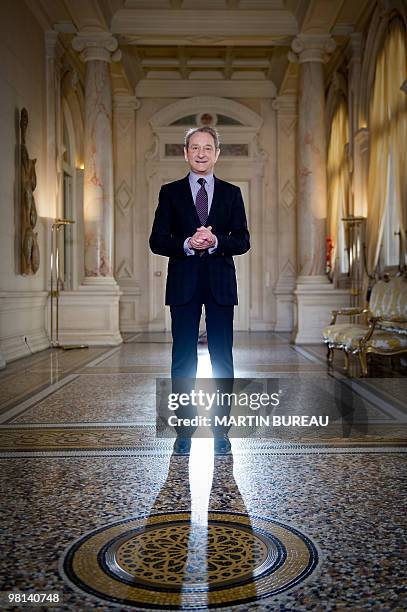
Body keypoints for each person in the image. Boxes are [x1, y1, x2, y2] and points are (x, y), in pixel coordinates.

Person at [149, 126, 250, 454]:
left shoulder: (232, 193)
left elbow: (243, 240)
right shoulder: (170, 192)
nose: (202, 153)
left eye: (208, 147)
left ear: (217, 153)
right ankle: (184, 430)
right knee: (182, 359)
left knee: (222, 358)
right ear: (186, 152)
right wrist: (187, 244)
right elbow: (157, 240)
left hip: (220, 285)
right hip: (183, 285)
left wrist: (217, 241)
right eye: (195, 147)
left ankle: (221, 430)